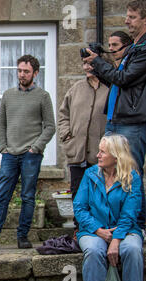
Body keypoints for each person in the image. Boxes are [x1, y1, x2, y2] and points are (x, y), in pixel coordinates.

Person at [0, 55, 55, 250]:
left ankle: (23, 237)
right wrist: (3, 147)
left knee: (27, 196)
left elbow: (50, 127)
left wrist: (36, 147)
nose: (22, 74)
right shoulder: (8, 95)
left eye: (26, 71)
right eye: (19, 71)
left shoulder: (43, 96)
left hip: (30, 154)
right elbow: (2, 123)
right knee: (2, 196)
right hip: (9, 154)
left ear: (35, 73)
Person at [83, 0, 146, 231]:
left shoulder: (143, 49)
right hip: (116, 120)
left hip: (132, 123)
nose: (126, 21)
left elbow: (125, 79)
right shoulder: (135, 49)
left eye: (132, 17)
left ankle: (137, 226)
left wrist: (99, 61)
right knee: (110, 172)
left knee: (131, 174)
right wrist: (97, 66)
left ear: (144, 20)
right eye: (127, 16)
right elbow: (117, 84)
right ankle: (115, 223)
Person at [73, 134, 144, 281]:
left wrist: (116, 239)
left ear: (116, 155)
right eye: (99, 151)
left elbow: (130, 214)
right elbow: (80, 207)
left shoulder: (133, 177)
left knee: (132, 250)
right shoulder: (90, 174)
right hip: (92, 230)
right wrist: (98, 230)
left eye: (102, 152)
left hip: (126, 230)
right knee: (93, 251)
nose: (98, 155)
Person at [58, 61, 108, 201]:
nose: (86, 67)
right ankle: (79, 224)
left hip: (101, 155)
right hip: (77, 153)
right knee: (78, 196)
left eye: (90, 63)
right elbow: (63, 114)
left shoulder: (110, 89)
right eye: (84, 64)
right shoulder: (76, 88)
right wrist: (67, 136)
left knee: (99, 197)